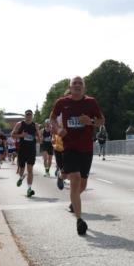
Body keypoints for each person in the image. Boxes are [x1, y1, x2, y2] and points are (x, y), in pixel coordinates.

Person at [50, 76, 105, 236]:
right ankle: (79, 220)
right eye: (75, 83)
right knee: (74, 180)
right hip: (69, 147)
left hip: (86, 148)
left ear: (84, 88)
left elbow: (102, 120)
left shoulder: (91, 102)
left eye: (80, 83)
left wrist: (91, 122)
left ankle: (68, 188)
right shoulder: (62, 102)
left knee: (83, 185)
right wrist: (57, 129)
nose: (77, 85)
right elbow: (52, 119)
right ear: (70, 87)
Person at [12, 109, 39, 197]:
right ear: (25, 116)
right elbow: (12, 135)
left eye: (30, 115)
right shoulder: (19, 124)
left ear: (32, 116)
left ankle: (29, 189)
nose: (28, 116)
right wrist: (21, 135)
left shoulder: (35, 125)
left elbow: (39, 137)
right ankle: (21, 177)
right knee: (21, 169)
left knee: (30, 170)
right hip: (22, 149)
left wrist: (39, 138)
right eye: (27, 115)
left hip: (31, 150)